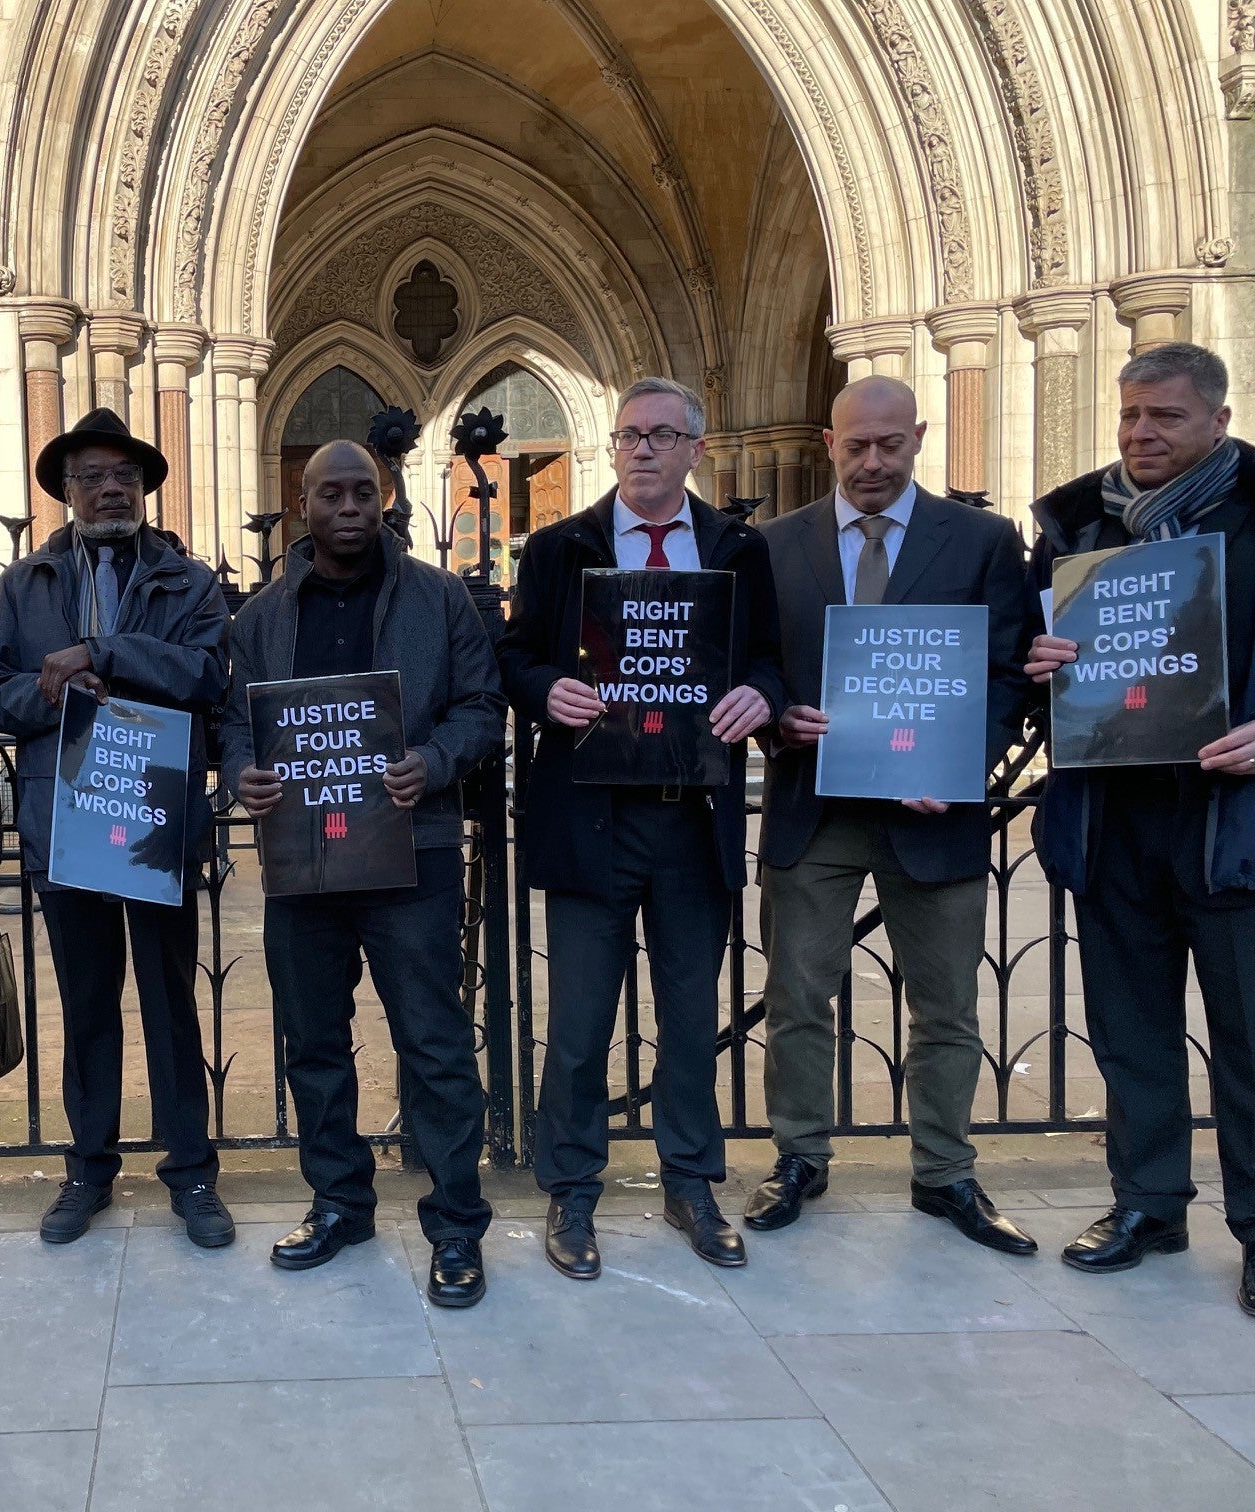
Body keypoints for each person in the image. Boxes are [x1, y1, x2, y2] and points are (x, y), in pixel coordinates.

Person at [497, 376, 785, 1279]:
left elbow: (772, 657)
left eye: (663, 435)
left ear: (696, 449)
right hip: (590, 817)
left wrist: (761, 694)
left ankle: (691, 1182)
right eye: (629, 435)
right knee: (580, 1021)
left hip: (689, 818)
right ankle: (573, 1189)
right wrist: (547, 689)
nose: (644, 450)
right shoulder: (560, 547)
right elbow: (514, 654)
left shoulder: (738, 551)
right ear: (612, 447)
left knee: (691, 1017)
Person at [749, 376, 1036, 1253]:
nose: (872, 463)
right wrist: (780, 716)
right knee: (798, 995)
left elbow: (1011, 670)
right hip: (815, 806)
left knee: (947, 1005)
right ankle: (799, 1155)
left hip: (931, 811)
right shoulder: (774, 545)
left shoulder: (984, 541)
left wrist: (962, 760)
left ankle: (944, 1171)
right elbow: (755, 664)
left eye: (890, 445)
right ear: (829, 442)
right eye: (855, 446)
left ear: (918, 437)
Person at [222, 440, 504, 1307]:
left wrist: (435, 758)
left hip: (411, 855)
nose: (347, 506)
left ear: (384, 499)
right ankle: (340, 1202)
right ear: (302, 504)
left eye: (362, 492)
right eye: (328, 493)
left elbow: (482, 708)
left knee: (433, 1043)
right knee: (312, 1042)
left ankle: (456, 1223)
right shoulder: (261, 618)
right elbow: (234, 723)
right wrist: (243, 773)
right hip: (303, 861)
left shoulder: (438, 595)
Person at [0, 408, 234, 1249]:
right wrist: (50, 695)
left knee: (169, 1004)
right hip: (64, 816)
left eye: (125, 475)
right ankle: (88, 1169)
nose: (110, 487)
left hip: (152, 810)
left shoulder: (188, 583)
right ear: (66, 491)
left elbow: (210, 677)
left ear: (146, 488)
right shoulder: (23, 585)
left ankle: (190, 1172)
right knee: (87, 1004)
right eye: (92, 475)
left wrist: (105, 654)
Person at [1025, 342, 1255, 1316]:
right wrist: (1036, 668)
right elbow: (1033, 682)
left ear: (1217, 417)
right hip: (1115, 815)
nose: (1140, 433)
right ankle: (1148, 1204)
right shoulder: (1078, 526)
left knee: (1248, 1035)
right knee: (1131, 1032)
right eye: (1129, 415)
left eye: (1163, 416)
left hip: (1230, 822)